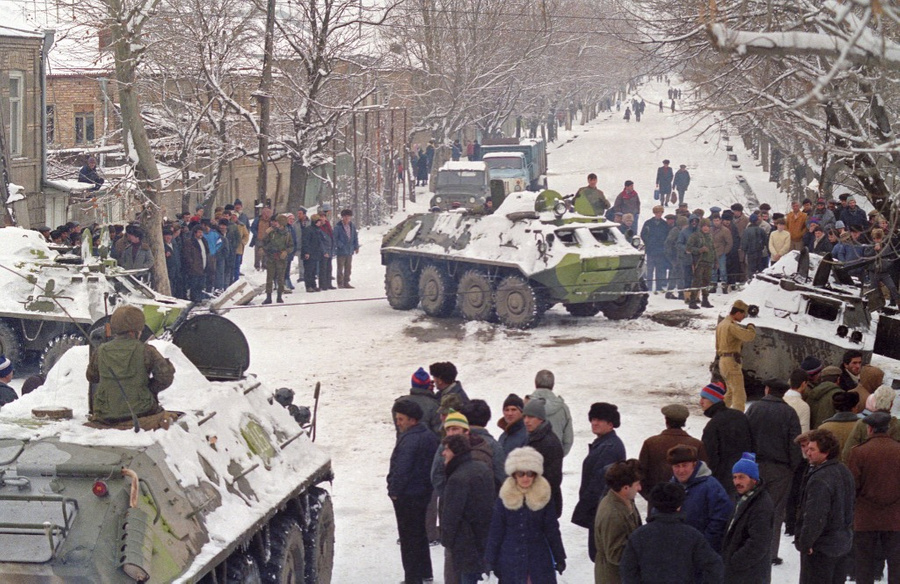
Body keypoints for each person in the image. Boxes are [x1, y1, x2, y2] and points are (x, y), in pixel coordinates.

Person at [85, 305, 176, 430]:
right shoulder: (147, 351)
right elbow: (165, 377)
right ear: (135, 331)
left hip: (105, 415)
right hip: (142, 412)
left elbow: (92, 377)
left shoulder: (101, 350)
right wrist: (148, 389)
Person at [485, 446, 567, 583]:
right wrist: (489, 559)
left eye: (530, 473)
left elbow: (552, 529)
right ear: (514, 475)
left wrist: (559, 556)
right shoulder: (504, 496)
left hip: (538, 558)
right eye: (520, 474)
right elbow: (496, 530)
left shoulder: (544, 495)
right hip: (510, 558)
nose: (525, 478)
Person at [746, 378, 803, 564]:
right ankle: (770, 553)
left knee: (751, 507)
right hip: (780, 469)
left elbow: (746, 436)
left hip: (754, 467)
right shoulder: (789, 412)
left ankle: (749, 547)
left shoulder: (754, 408)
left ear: (767, 389)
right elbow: (794, 445)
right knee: (775, 512)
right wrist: (793, 468)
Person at [620, 483, 724, 583]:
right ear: (679, 506)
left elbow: (627, 570)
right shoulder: (692, 536)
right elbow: (714, 566)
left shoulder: (638, 536)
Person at [388, 399, 440, 584]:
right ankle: (426, 573)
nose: (398, 423)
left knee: (408, 538)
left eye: (401, 419)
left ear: (412, 420)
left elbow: (402, 469)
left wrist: (393, 490)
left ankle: (412, 578)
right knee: (419, 534)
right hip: (423, 493)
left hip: (407, 496)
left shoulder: (410, 439)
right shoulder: (428, 435)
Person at [847, 412, 900, 584]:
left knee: (864, 563)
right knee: (896, 563)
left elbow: (852, 486)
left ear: (869, 429)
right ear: (888, 428)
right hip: (895, 517)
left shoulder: (859, 452)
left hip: (865, 517)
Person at [796, 428, 855, 584]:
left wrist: (806, 542)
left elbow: (815, 515)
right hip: (842, 545)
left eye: (812, 449)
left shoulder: (820, 478)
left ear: (826, 451)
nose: (808, 453)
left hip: (821, 548)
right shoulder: (845, 472)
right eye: (807, 448)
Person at [572, 402, 626, 560]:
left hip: (601, 510)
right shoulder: (604, 444)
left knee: (600, 557)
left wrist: (585, 509)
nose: (594, 423)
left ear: (610, 424)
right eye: (592, 419)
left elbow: (599, 484)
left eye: (599, 420)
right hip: (600, 509)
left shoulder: (608, 447)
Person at [440, 433, 495, 584]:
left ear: (456, 452)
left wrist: (447, 540)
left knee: (468, 577)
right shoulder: (482, 468)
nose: (443, 453)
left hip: (465, 540)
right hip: (483, 536)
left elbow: (451, 515)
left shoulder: (457, 478)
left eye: (447, 449)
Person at [638, 404, 707, 516]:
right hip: (688, 509)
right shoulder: (696, 445)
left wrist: (651, 497)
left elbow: (640, 475)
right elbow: (703, 476)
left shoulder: (651, 443)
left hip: (657, 509)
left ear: (666, 420)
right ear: (684, 421)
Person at [667, 444, 733, 554]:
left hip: (702, 552)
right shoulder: (670, 487)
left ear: (694, 464)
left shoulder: (711, 486)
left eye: (685, 465)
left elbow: (720, 519)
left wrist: (703, 546)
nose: (681, 470)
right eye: (677, 466)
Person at [722, 453, 775, 583]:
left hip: (749, 574)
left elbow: (758, 543)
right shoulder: (739, 498)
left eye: (741, 477)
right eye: (734, 477)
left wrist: (735, 562)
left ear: (754, 479)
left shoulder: (761, 504)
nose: (737, 482)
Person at [700, 382, 754, 497]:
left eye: (704, 398)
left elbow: (710, 457)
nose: (701, 402)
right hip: (745, 476)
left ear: (713, 399)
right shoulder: (740, 416)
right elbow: (752, 445)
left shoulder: (713, 425)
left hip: (722, 481)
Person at [594, 460, 643, 584]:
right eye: (636, 484)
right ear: (625, 488)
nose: (640, 488)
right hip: (614, 578)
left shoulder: (626, 500)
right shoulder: (612, 514)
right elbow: (616, 554)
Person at [523, 398, 564, 519]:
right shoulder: (533, 437)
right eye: (525, 417)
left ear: (541, 419)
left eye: (531, 417)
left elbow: (553, 479)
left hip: (544, 504)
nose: (526, 421)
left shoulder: (549, 442)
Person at [714, 299, 757, 411]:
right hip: (731, 362)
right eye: (743, 314)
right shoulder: (731, 326)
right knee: (739, 394)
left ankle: (720, 414)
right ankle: (738, 419)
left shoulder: (722, 324)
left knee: (730, 392)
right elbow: (749, 336)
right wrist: (751, 326)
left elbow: (717, 345)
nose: (744, 317)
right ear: (738, 313)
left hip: (723, 361)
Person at [527, 370, 573, 456]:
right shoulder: (563, 408)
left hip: (528, 460)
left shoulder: (526, 405)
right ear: (553, 384)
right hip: (554, 461)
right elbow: (568, 440)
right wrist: (557, 456)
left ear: (535, 382)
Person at [395, 367, 441, 437]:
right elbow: (438, 432)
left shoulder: (399, 404)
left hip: (404, 444)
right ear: (428, 385)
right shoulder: (434, 405)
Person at [261, 214, 293, 304]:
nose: (275, 223)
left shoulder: (287, 234)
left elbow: (291, 246)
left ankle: (279, 296)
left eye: (277, 222)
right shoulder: (271, 232)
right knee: (269, 278)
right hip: (271, 257)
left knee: (281, 278)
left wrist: (286, 252)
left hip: (281, 258)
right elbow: (264, 242)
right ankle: (268, 297)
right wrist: (266, 234)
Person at [686, 218, 715, 309]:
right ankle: (692, 301)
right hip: (699, 262)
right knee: (697, 282)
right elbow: (688, 249)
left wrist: (716, 261)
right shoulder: (695, 236)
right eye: (704, 226)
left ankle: (705, 300)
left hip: (709, 262)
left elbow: (713, 249)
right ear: (700, 227)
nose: (706, 228)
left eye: (707, 226)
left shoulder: (710, 236)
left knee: (706, 282)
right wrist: (699, 250)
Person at [641, 205, 670, 293]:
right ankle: (649, 287)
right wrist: (648, 242)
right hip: (650, 250)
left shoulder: (664, 224)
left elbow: (667, 236)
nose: (659, 214)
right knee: (650, 270)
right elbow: (643, 234)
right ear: (654, 213)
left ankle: (659, 286)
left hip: (660, 251)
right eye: (657, 212)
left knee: (660, 270)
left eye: (660, 212)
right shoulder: (648, 223)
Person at [334, 209, 360, 288]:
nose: (347, 218)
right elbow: (335, 238)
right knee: (340, 268)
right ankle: (340, 283)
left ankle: (346, 282)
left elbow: (355, 237)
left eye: (348, 216)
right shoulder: (338, 227)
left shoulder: (352, 226)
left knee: (348, 268)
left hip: (349, 250)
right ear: (342, 217)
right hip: (341, 251)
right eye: (345, 216)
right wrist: (340, 245)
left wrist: (356, 246)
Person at [302, 214, 324, 292]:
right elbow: (306, 242)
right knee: (309, 270)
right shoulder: (309, 230)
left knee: (313, 270)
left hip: (315, 253)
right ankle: (308, 286)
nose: (320, 223)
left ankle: (313, 285)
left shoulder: (317, 230)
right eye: (318, 221)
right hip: (309, 254)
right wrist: (306, 252)